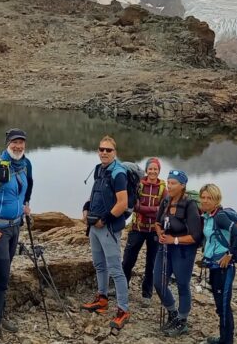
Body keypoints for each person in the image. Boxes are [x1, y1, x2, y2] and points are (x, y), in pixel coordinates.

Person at [0, 128, 33, 334]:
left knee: (5, 271)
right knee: (2, 274)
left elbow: (28, 187)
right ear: (7, 144)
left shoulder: (26, 164)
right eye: (14, 142)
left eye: (21, 142)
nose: (18, 146)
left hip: (15, 227)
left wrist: (26, 204)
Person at [80, 136, 131, 330]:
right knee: (99, 265)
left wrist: (105, 220)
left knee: (116, 269)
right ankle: (102, 298)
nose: (104, 152)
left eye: (108, 150)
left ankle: (123, 309)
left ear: (114, 152)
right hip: (94, 226)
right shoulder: (99, 170)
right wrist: (86, 207)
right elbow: (96, 194)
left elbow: (122, 203)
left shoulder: (118, 174)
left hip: (108, 228)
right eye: (101, 149)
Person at [153, 169, 203, 337]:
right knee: (158, 282)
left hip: (183, 250)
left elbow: (195, 236)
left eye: (173, 183)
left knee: (182, 283)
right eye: (168, 182)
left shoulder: (190, 205)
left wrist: (174, 240)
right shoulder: (166, 200)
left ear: (182, 186)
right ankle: (172, 311)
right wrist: (160, 233)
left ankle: (182, 321)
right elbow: (157, 222)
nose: (169, 185)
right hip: (165, 247)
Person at [199, 183, 237, 344]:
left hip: (225, 268)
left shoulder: (221, 216)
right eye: (203, 197)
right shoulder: (208, 216)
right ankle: (223, 338)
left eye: (209, 198)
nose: (205, 201)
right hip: (214, 266)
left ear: (217, 199)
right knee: (219, 305)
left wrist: (230, 255)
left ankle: (227, 340)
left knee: (223, 306)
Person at [121, 157, 167, 302]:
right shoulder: (138, 185)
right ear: (146, 170)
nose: (153, 171)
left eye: (155, 169)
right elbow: (134, 205)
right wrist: (153, 209)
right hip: (137, 228)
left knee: (151, 263)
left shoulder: (163, 189)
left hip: (155, 230)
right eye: (150, 168)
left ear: (159, 171)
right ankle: (122, 288)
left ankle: (147, 294)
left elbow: (163, 209)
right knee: (128, 260)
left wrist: (143, 209)